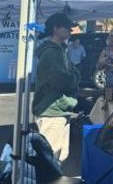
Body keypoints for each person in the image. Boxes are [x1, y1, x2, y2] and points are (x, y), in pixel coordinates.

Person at [32, 12, 80, 164]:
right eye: (67, 27)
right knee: (50, 158)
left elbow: (73, 74)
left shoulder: (60, 50)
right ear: (55, 28)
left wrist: (72, 77)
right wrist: (73, 79)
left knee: (58, 156)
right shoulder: (50, 53)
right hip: (51, 111)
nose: (70, 31)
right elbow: (60, 79)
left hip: (59, 110)